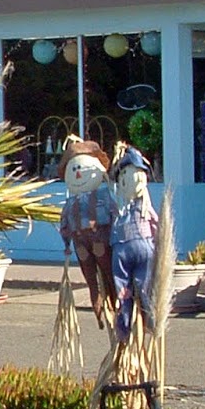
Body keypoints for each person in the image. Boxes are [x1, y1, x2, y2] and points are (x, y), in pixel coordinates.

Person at [57, 139, 120, 327]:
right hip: (79, 242)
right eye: (73, 168)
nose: (77, 173)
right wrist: (66, 244)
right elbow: (64, 225)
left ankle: (115, 304)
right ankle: (100, 313)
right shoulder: (70, 203)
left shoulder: (103, 195)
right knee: (91, 279)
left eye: (81, 168)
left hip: (99, 237)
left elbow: (114, 215)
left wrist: (117, 237)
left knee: (108, 273)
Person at [109, 146, 158, 343]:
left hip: (129, 248)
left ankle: (145, 321)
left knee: (138, 287)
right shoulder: (123, 207)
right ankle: (126, 324)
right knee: (127, 289)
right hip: (129, 248)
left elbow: (157, 224)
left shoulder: (139, 207)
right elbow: (157, 224)